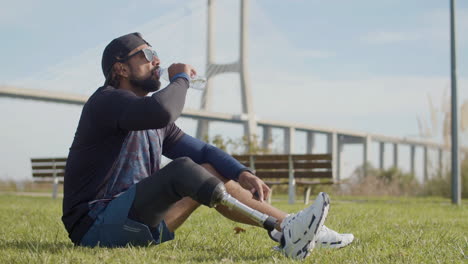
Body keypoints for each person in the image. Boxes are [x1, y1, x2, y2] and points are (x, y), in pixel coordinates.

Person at [62, 32, 353, 260]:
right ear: (121, 68)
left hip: (135, 221)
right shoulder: (106, 102)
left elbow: (203, 151)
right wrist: (180, 78)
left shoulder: (150, 117)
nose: (157, 62)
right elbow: (163, 111)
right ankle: (284, 231)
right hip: (95, 226)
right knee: (183, 171)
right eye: (148, 55)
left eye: (157, 55)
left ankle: (294, 228)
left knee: (207, 169)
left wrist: (241, 173)